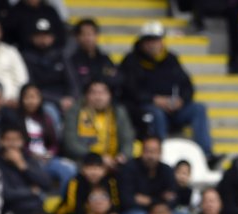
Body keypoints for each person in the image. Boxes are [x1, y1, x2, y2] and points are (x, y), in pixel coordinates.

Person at [119, 21, 219, 166]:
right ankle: (161, 156)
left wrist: (181, 100)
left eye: (157, 40)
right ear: (142, 42)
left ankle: (207, 155)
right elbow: (129, 90)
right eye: (149, 41)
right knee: (156, 113)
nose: (153, 45)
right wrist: (154, 99)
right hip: (145, 109)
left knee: (198, 108)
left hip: (173, 109)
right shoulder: (131, 61)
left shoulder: (171, 59)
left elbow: (187, 85)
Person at [62, 80, 134, 170]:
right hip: (84, 161)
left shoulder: (118, 112)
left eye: (103, 93)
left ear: (110, 95)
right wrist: (98, 158)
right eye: (94, 93)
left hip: (113, 161)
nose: (98, 97)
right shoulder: (75, 111)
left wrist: (123, 156)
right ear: (86, 95)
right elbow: (71, 144)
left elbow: (127, 139)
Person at [119, 136, 177, 214]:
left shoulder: (167, 170)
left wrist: (151, 202)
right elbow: (127, 200)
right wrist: (160, 200)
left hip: (162, 212)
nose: (151, 156)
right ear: (141, 152)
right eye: (147, 151)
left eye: (154, 152)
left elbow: (173, 198)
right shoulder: (129, 168)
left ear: (160, 153)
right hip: (135, 212)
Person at [68, 18, 119, 93]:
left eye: (91, 34)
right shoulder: (71, 59)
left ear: (97, 36)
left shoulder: (104, 58)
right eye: (84, 34)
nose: (88, 38)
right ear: (77, 37)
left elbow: (116, 78)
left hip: (103, 97)